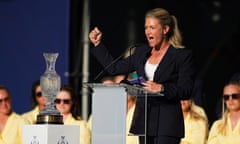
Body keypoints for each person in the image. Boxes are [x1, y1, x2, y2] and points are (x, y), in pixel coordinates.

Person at [89, 7, 195, 144]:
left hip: (167, 124)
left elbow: (186, 89)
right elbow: (114, 68)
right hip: (144, 121)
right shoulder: (140, 53)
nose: (147, 32)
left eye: (152, 27)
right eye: (146, 28)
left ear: (165, 29)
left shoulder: (181, 56)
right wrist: (98, 45)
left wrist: (162, 88)